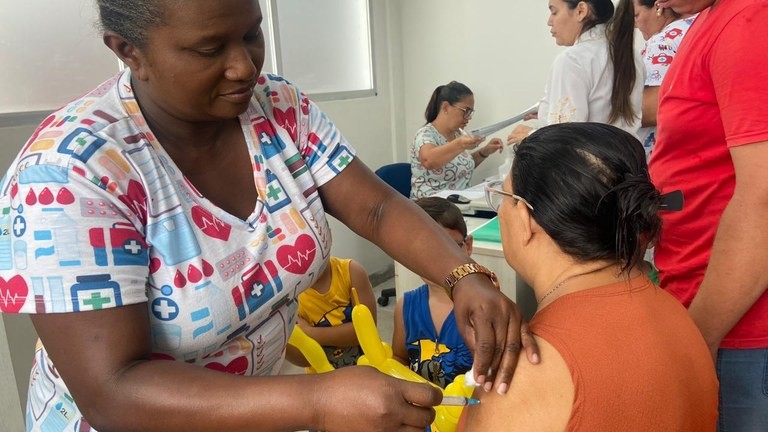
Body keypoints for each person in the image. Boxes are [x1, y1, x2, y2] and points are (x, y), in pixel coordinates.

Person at [0, 0, 540, 430]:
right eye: (209, 48)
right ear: (128, 51)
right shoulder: (69, 172)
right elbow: (113, 390)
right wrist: (317, 402)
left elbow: (376, 207)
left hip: (258, 400)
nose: (244, 66)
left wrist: (463, 275)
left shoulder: (277, 108)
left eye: (252, 33)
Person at [461, 123, 718, 431]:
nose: (501, 210)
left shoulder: (525, 374)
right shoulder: (678, 315)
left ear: (525, 218)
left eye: (504, 196)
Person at [650, 0, 768, 428]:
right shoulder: (711, 20)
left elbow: (763, 196)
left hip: (737, 327)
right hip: (700, 304)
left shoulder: (749, 21)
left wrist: (699, 335)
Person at [506, 0, 643, 144]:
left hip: (586, 157)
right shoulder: (633, 56)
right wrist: (547, 110)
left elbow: (564, 140)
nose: (549, 21)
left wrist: (530, 135)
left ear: (581, 11)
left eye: (554, 12)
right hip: (629, 155)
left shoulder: (572, 60)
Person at [392, 197, 474, 388]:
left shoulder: (482, 310)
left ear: (467, 246)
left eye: (447, 248)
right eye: (421, 250)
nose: (433, 261)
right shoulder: (405, 307)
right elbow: (399, 358)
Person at [410, 81, 503, 199]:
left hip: (459, 203)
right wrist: (460, 144)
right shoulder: (425, 134)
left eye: (471, 112)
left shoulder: (457, 135)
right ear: (445, 107)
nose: (469, 117)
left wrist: (484, 152)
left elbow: (460, 167)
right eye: (466, 111)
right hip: (430, 206)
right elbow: (428, 160)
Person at [629, 0, 696, 158]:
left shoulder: (662, 42)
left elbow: (654, 107)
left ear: (658, 7)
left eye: (636, 15)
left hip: (672, 153)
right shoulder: (699, 25)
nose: (635, 25)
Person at [285, 257, 375, 369]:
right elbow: (305, 359)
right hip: (324, 375)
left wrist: (310, 333)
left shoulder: (352, 272)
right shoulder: (291, 298)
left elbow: (367, 333)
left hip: (369, 366)